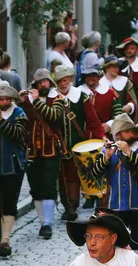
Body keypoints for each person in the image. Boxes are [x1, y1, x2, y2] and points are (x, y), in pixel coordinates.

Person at [30, 64, 103, 221]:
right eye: (59, 81)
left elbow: (93, 120)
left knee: (84, 175)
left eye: (65, 80)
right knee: (63, 177)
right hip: (58, 145)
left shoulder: (81, 97)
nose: (63, 84)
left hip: (80, 144)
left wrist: (100, 138)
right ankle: (69, 206)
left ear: (70, 79)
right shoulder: (51, 98)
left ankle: (91, 203)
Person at [86, 114, 138, 256]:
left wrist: (128, 152)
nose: (131, 134)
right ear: (118, 134)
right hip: (114, 205)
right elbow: (95, 173)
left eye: (132, 131)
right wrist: (107, 157)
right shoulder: (107, 150)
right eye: (127, 132)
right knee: (116, 243)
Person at [20, 68, 62, 239]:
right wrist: (22, 101)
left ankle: (48, 223)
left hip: (51, 149)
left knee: (49, 186)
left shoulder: (56, 98)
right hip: (32, 150)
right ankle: (42, 221)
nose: (43, 84)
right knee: (35, 187)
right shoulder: (28, 101)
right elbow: (23, 120)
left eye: (45, 81)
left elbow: (54, 116)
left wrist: (36, 101)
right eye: (40, 82)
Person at [0, 82, 28, 257]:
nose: (3, 102)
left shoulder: (19, 113)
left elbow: (18, 135)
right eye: (0, 99)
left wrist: (0, 120)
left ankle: (5, 240)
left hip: (13, 165)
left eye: (6, 99)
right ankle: (0, 238)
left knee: (10, 202)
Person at [82, 56, 138, 138]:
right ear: (106, 68)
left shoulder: (125, 81)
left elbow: (132, 99)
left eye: (117, 67)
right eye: (113, 67)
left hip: (116, 124)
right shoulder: (81, 92)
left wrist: (130, 106)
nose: (116, 69)